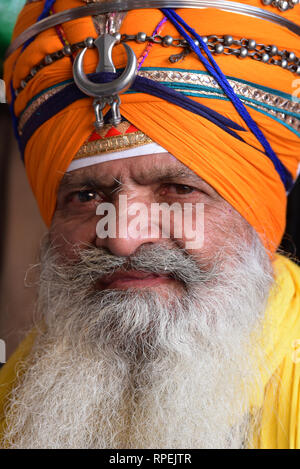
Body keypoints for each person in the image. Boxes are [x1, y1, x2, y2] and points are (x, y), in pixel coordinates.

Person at [0, 0, 300, 449]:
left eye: (177, 190)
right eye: (85, 197)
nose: (122, 238)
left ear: (258, 217)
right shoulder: (13, 400)